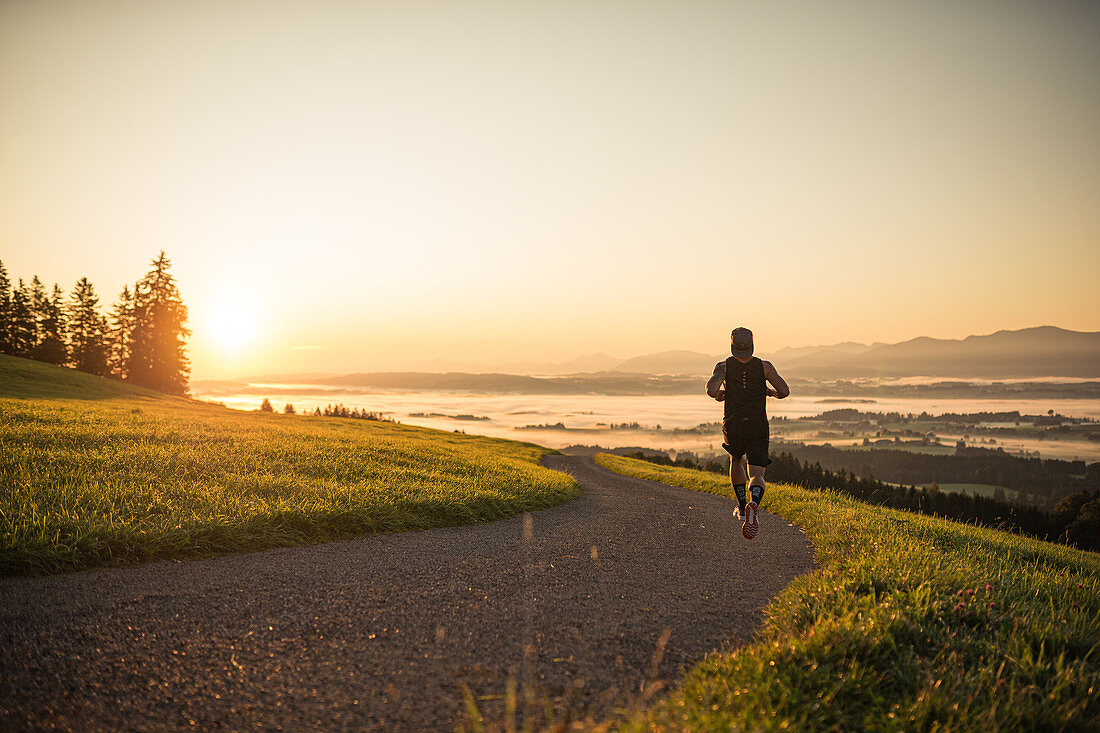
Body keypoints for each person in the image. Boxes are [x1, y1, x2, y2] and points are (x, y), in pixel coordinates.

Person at [705, 327, 790, 539]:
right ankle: (755, 503)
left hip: (734, 423)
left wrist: (720, 394)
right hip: (757, 424)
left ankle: (743, 507)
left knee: (736, 460)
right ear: (752, 345)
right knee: (757, 473)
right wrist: (770, 392)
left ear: (732, 345)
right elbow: (785, 391)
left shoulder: (724, 366)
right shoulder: (764, 367)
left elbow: (712, 390)